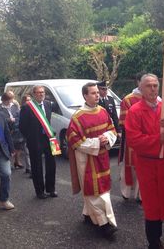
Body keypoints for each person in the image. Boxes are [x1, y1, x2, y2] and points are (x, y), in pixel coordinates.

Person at [125, 74, 164, 249]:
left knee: (163, 204)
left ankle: (158, 240)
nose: (152, 89)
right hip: (147, 164)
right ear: (141, 88)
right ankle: (154, 244)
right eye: (148, 86)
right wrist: (158, 139)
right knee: (152, 207)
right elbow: (134, 140)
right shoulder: (135, 111)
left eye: (155, 85)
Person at [67, 82, 118, 239]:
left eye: (97, 92)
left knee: (103, 188)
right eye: (93, 93)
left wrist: (107, 138)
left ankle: (88, 214)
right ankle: (104, 225)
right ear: (85, 96)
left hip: (102, 157)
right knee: (93, 190)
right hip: (86, 159)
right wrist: (97, 142)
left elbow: (112, 130)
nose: (97, 95)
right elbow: (74, 140)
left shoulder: (103, 111)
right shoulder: (77, 117)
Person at [19, 86, 57, 199]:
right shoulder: (27, 107)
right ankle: (40, 191)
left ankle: (51, 189)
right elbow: (22, 126)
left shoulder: (48, 104)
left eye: (43, 92)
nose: (41, 94)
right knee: (37, 166)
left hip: (50, 138)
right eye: (39, 92)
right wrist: (31, 137)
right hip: (35, 139)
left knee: (52, 164)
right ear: (34, 94)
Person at [118, 71, 144, 200]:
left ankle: (140, 194)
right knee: (128, 165)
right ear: (138, 82)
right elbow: (123, 121)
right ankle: (126, 192)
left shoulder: (153, 98)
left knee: (143, 167)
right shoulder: (128, 99)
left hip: (147, 139)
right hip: (131, 139)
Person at [0, 92, 23, 169]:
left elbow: (19, 115)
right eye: (11, 99)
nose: (12, 100)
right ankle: (8, 162)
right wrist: (9, 120)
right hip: (7, 130)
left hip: (16, 129)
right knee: (8, 147)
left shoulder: (15, 106)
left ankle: (17, 161)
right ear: (5, 100)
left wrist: (16, 121)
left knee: (18, 146)